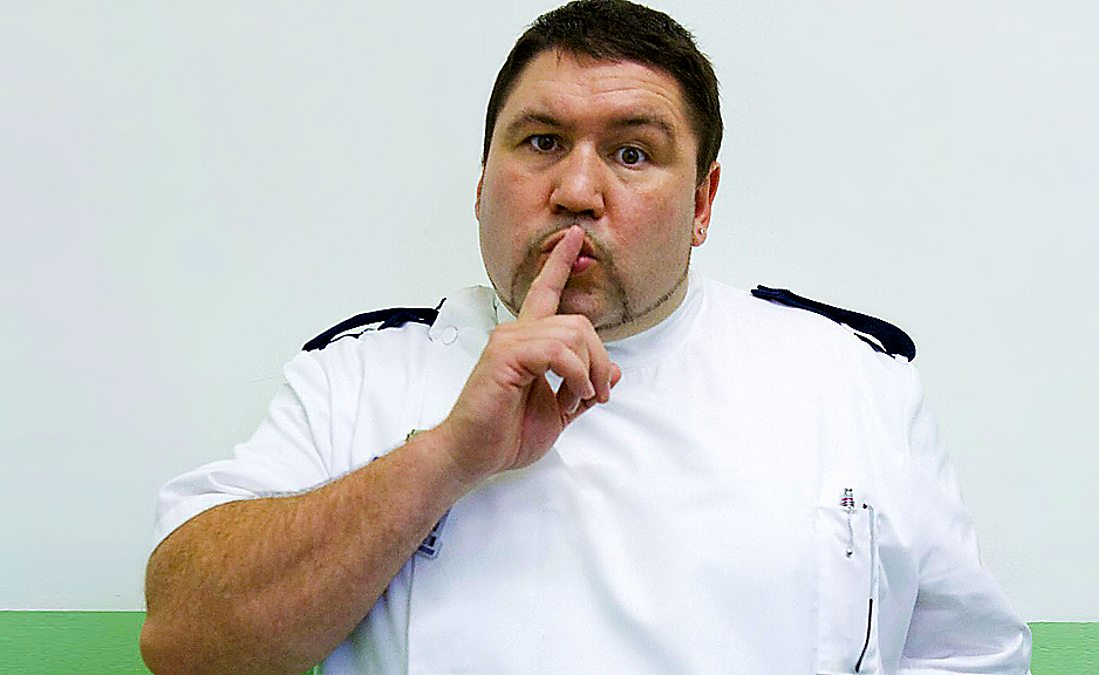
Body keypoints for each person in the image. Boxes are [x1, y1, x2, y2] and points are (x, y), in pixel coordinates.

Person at [140, 1, 1032, 673]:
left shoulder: (850, 383)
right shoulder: (358, 377)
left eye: (633, 153)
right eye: (540, 142)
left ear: (703, 204)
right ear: (481, 184)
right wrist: (445, 457)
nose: (576, 190)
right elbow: (183, 639)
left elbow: (969, 657)